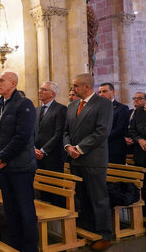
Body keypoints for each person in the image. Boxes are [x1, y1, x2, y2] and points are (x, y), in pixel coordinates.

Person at [0, 72, 38, 251]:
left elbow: (22, 136)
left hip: (21, 166)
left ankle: (30, 247)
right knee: (10, 209)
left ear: (13, 83)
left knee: (25, 209)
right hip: (5, 166)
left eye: (1, 80)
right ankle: (15, 244)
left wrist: (1, 157)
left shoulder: (24, 104)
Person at [64, 74, 113, 251]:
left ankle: (104, 234)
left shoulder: (103, 104)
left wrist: (80, 148)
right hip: (75, 159)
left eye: (76, 86)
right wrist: (68, 146)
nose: (73, 89)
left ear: (86, 87)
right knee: (82, 196)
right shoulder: (72, 105)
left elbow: (102, 131)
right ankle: (87, 230)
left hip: (93, 159)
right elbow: (66, 131)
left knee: (98, 198)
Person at [34, 81, 67, 206]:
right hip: (37, 156)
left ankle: (59, 220)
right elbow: (33, 132)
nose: (40, 91)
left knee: (55, 189)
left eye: (43, 89)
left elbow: (59, 133)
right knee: (42, 190)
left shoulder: (61, 109)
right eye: (40, 89)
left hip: (53, 156)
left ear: (52, 93)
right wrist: (34, 149)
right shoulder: (37, 110)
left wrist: (43, 150)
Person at [98, 83, 129, 164]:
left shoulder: (122, 108)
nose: (101, 94)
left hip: (115, 148)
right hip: (99, 149)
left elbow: (119, 129)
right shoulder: (97, 109)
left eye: (104, 91)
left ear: (113, 92)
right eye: (100, 92)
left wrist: (101, 138)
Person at [128, 99, 146, 215]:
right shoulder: (139, 112)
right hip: (141, 155)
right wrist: (139, 139)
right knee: (144, 185)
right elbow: (132, 129)